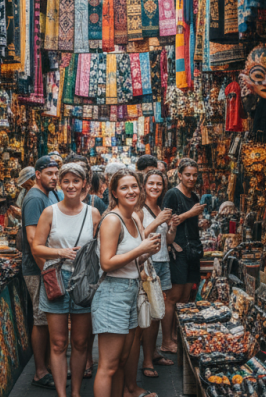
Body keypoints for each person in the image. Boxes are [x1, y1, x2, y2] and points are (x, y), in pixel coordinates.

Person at [32, 164, 101, 397]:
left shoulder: (93, 213)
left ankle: (76, 392)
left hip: (83, 280)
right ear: (60, 184)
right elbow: (36, 247)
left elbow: (100, 248)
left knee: (81, 342)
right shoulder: (50, 212)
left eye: (76, 181)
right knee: (59, 342)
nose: (71, 186)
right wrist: (60, 252)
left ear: (84, 184)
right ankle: (63, 394)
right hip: (57, 279)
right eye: (66, 181)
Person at [93, 169, 161, 397]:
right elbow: (106, 263)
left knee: (122, 360)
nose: (131, 191)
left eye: (134, 186)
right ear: (114, 192)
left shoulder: (133, 217)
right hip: (112, 293)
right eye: (124, 187)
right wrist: (140, 250)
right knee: (108, 366)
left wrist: (148, 251)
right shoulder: (113, 220)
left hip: (131, 291)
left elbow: (131, 260)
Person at [21, 156, 61, 389]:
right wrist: (47, 272)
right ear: (37, 175)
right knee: (41, 318)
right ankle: (40, 371)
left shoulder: (51, 194)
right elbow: (32, 238)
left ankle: (48, 365)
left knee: (47, 318)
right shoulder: (35, 198)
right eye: (49, 173)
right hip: (38, 268)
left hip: (47, 266)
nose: (54, 177)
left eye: (56, 173)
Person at [161, 158, 206, 353]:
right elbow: (167, 221)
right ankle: (166, 340)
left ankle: (177, 335)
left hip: (192, 250)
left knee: (187, 296)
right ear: (179, 175)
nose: (191, 178)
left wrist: (199, 222)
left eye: (195, 175)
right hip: (178, 250)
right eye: (188, 174)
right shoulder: (172, 194)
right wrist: (191, 213)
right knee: (173, 296)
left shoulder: (194, 196)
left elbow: (189, 222)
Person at [134, 169, 176, 379]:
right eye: (151, 183)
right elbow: (139, 237)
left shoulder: (160, 208)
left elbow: (167, 241)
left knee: (158, 312)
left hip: (162, 263)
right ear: (144, 185)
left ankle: (154, 353)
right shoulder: (140, 209)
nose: (155, 187)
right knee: (149, 314)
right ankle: (147, 361)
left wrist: (172, 228)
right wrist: (158, 220)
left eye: (159, 184)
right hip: (148, 265)